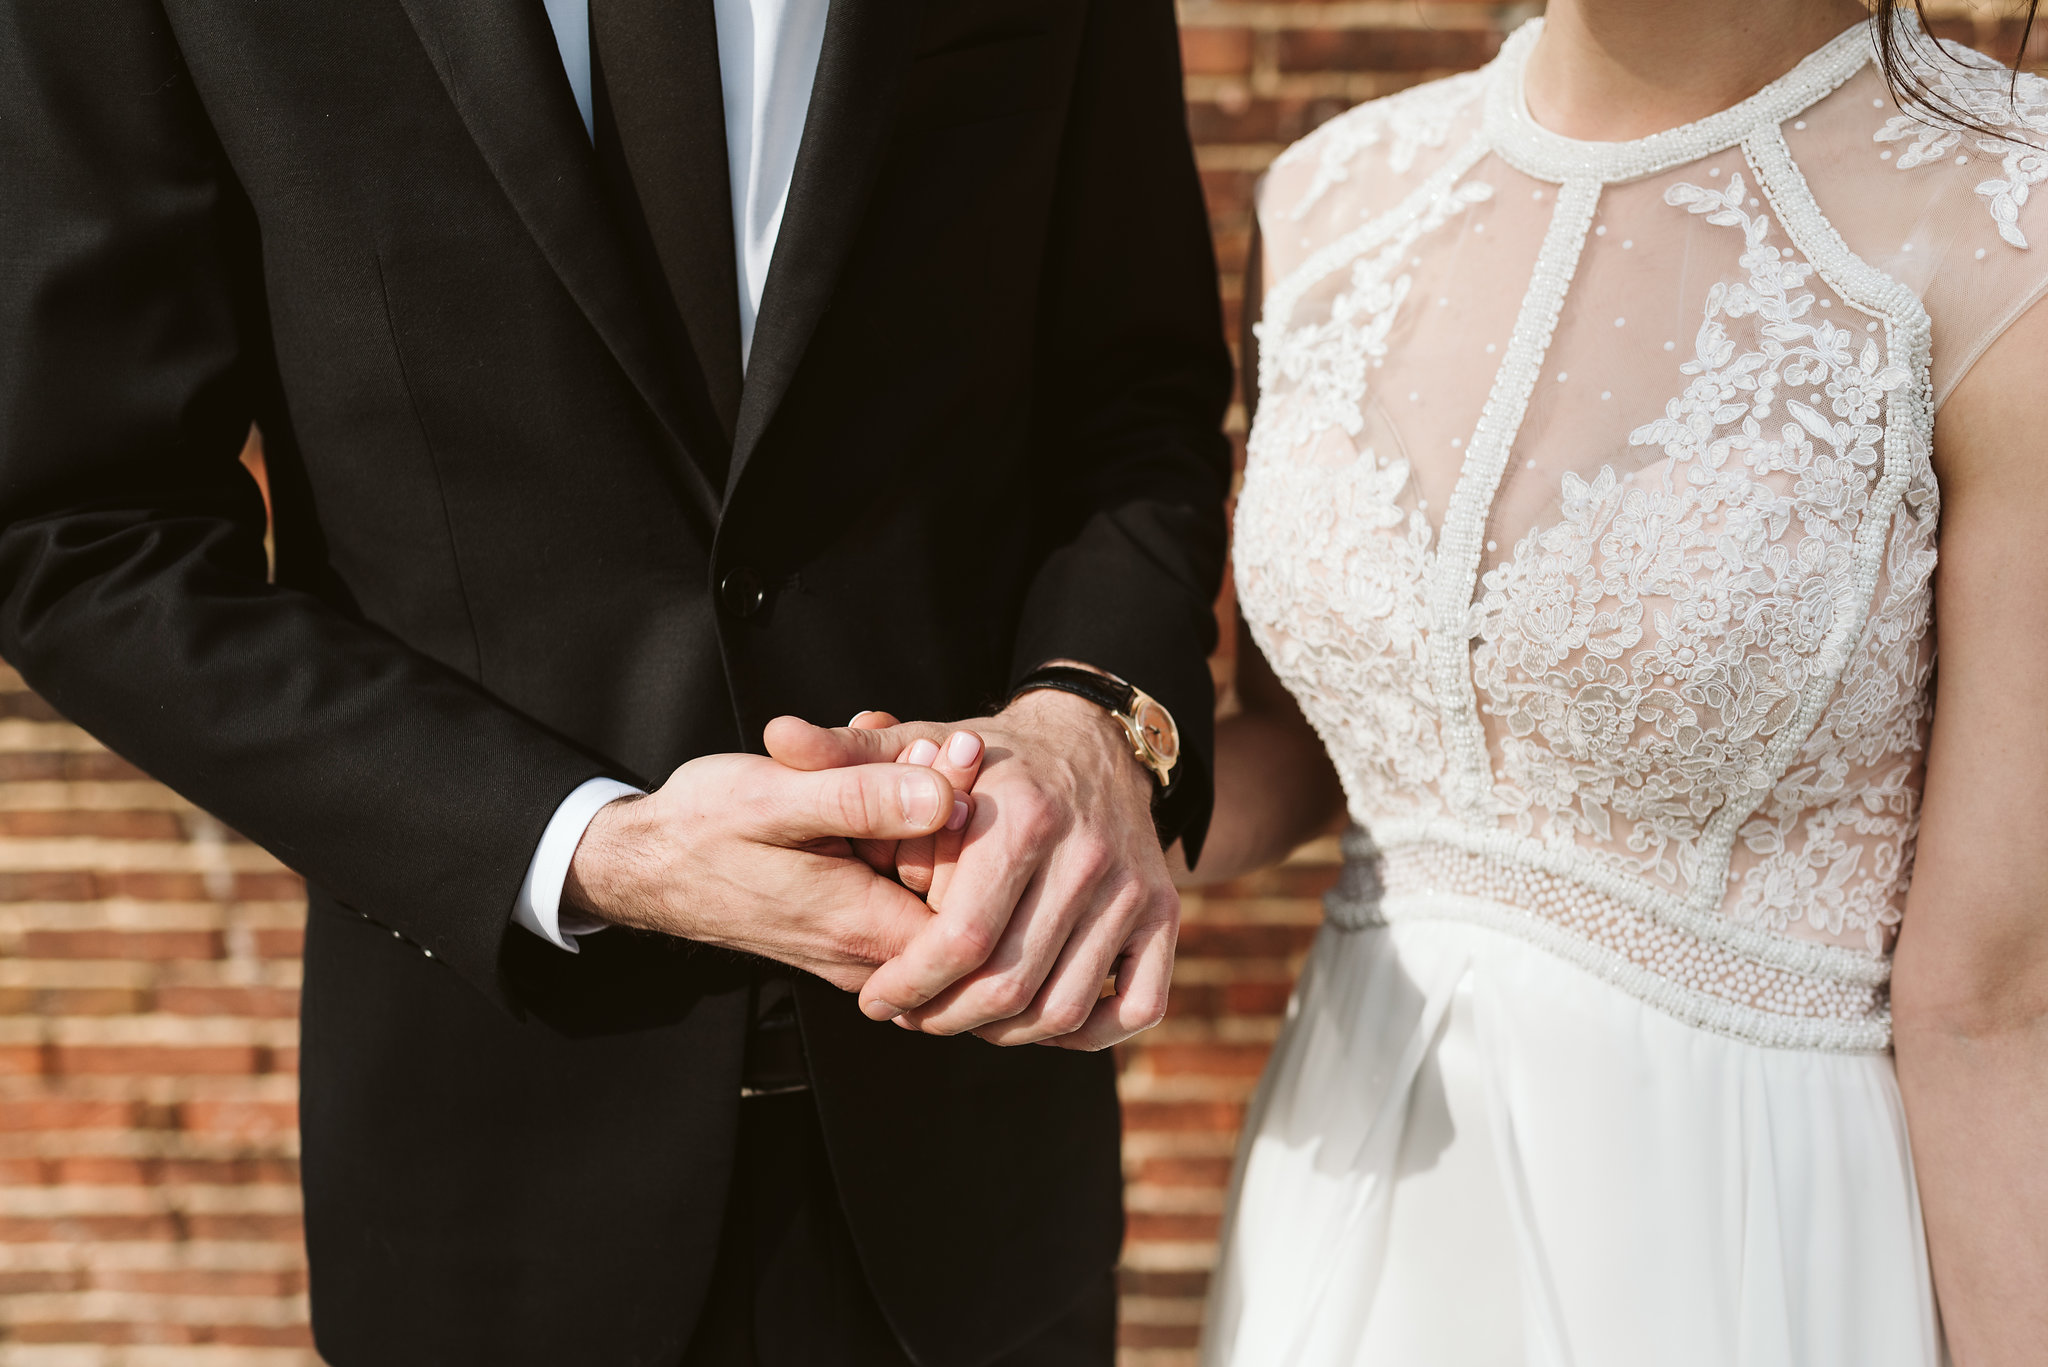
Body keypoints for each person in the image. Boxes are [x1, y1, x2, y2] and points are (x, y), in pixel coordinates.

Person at [0, 1, 1232, 1364]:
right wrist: (593, 847)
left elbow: (1135, 391)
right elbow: (87, 532)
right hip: (495, 1187)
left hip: (975, 1179)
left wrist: (1091, 716)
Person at [1191, 1, 2048, 1362]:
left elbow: (1996, 1004)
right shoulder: (1332, 196)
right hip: (1347, 1193)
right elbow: (1304, 750)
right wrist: (1066, 785)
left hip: (1736, 1232)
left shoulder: (2006, 228)